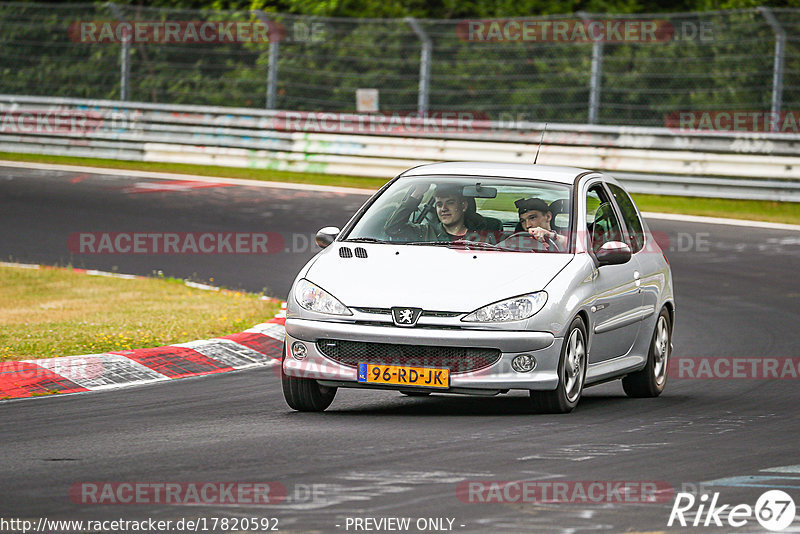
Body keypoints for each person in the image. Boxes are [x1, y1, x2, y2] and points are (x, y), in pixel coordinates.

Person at [385, 183, 476, 241]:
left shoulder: (482, 235)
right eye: (439, 204)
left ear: (463, 206)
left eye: (450, 203)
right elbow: (392, 229)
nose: (444, 208)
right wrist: (418, 192)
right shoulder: (425, 233)